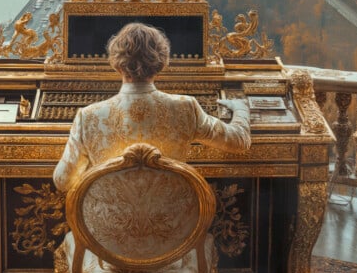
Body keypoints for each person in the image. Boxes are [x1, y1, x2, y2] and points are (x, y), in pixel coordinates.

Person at [53, 22, 251, 191]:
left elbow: (63, 182)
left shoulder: (87, 116)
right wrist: (240, 107)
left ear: (117, 63)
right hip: (173, 230)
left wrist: (102, 171)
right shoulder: (186, 107)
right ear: (161, 62)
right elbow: (239, 141)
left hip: (106, 233)